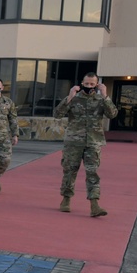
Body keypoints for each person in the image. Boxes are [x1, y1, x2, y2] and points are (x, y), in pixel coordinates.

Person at [53, 72, 118, 216]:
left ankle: (94, 205)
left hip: (93, 142)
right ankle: (66, 200)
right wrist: (69, 96)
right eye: (87, 84)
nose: (89, 86)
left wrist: (105, 94)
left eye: (92, 84)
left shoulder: (101, 99)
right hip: (73, 142)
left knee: (92, 173)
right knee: (69, 171)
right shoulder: (74, 99)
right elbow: (57, 114)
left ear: (97, 84)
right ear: (82, 83)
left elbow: (112, 114)